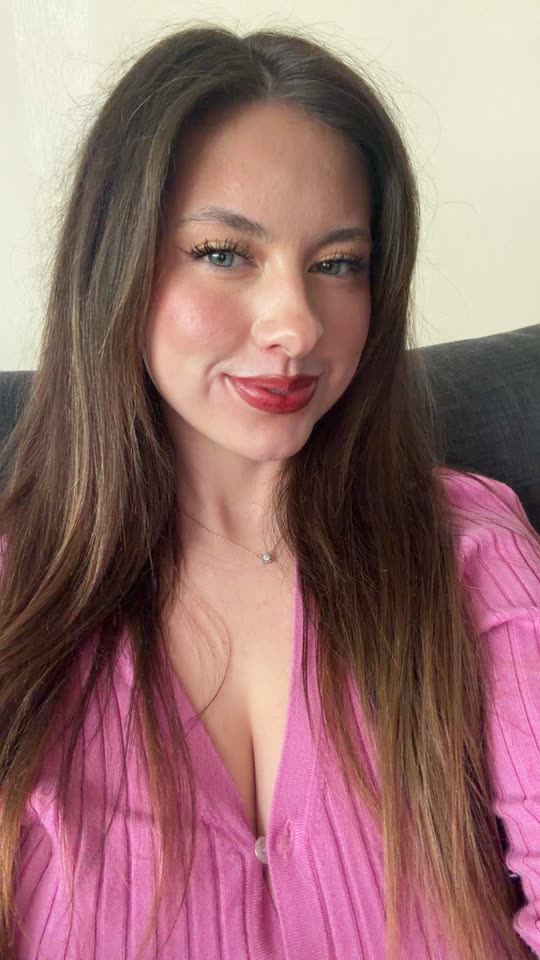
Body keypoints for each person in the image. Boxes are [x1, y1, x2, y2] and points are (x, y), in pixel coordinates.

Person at [0, 22, 539, 960]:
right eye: (223, 252)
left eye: (338, 264)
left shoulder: (472, 552)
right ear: (114, 265)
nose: (297, 325)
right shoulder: (16, 597)